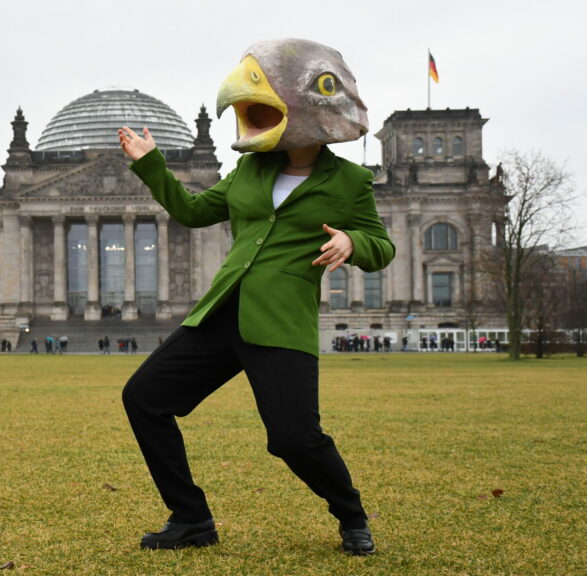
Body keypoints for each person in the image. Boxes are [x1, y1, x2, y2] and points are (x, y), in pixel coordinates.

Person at [118, 39, 393, 556]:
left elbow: (382, 247)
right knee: (145, 398)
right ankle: (190, 518)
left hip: (280, 321)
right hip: (224, 313)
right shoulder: (250, 171)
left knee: (293, 439)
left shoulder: (351, 181)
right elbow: (193, 211)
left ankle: (351, 514)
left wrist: (353, 241)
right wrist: (152, 163)